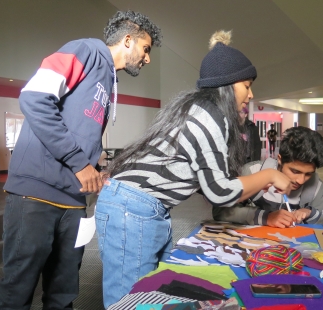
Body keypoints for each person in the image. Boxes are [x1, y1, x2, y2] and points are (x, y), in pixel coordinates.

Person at [95, 30, 292, 308]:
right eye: (246, 85)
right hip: (132, 208)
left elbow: (209, 180)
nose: (251, 94)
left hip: (143, 208)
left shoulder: (203, 111)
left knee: (153, 296)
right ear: (227, 85)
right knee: (131, 303)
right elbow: (220, 192)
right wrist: (269, 175)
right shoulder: (209, 116)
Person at [0, 11, 162, 310]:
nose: (147, 59)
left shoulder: (109, 79)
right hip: (36, 195)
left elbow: (79, 131)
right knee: (17, 291)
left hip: (73, 202)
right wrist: (79, 163)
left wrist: (94, 166)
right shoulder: (85, 50)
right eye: (146, 49)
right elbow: (34, 98)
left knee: (63, 294)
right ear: (128, 39)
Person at [213, 126, 323, 227]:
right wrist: (266, 217)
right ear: (280, 159)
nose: (301, 180)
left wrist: (310, 213)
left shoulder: (316, 185)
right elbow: (220, 211)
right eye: (295, 171)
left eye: (308, 174)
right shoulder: (253, 171)